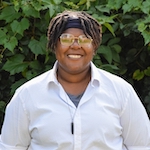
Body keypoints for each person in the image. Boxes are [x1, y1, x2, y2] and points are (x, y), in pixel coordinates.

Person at [0, 10, 150, 150]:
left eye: (84, 39)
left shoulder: (121, 92)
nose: (75, 45)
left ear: (94, 45)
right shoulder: (26, 96)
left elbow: (142, 146)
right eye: (66, 38)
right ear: (54, 44)